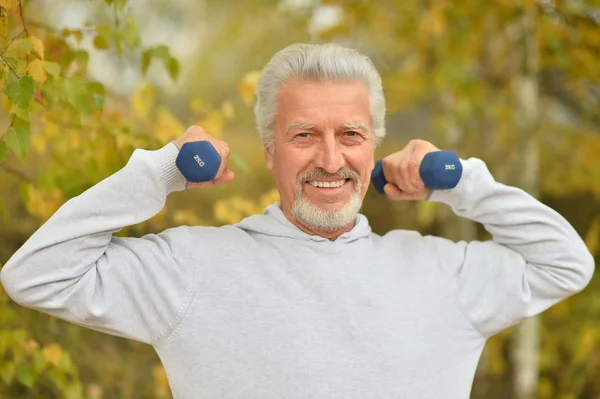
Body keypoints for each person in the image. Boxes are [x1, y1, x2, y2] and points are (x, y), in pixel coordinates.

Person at [0, 43, 594, 399]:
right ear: (269, 149)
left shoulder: (442, 273)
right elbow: (35, 275)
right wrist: (159, 172)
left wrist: (462, 182)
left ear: (373, 146)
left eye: (351, 135)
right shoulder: (190, 269)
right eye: (304, 135)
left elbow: (566, 263)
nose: (331, 160)